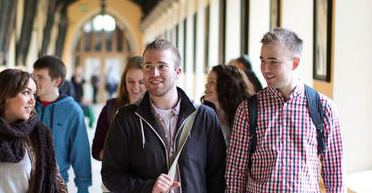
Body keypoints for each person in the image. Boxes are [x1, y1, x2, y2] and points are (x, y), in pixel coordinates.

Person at [225, 28, 344, 192]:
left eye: (273, 62)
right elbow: (235, 172)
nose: (265, 69)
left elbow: (335, 173)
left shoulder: (324, 108)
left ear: (295, 63)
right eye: (262, 60)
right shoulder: (247, 110)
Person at [102, 39, 227, 193]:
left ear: (177, 72)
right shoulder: (126, 118)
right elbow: (110, 174)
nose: (154, 73)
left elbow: (218, 174)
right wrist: (148, 187)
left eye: (162, 66)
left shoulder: (204, 117)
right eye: (148, 66)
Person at [32, 55, 92, 193]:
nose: (34, 81)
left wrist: (83, 189)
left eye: (40, 77)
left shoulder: (73, 111)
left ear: (57, 81)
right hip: (24, 181)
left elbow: (80, 152)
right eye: (33, 76)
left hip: (56, 184)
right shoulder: (27, 104)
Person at [92, 56, 146, 161]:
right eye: (130, 81)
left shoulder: (156, 109)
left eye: (141, 82)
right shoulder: (110, 108)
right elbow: (96, 150)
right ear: (124, 82)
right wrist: (113, 155)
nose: (135, 87)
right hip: (116, 174)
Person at [203, 65, 255, 142]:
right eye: (207, 82)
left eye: (212, 82)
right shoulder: (204, 116)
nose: (206, 85)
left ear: (226, 86)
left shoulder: (244, 118)